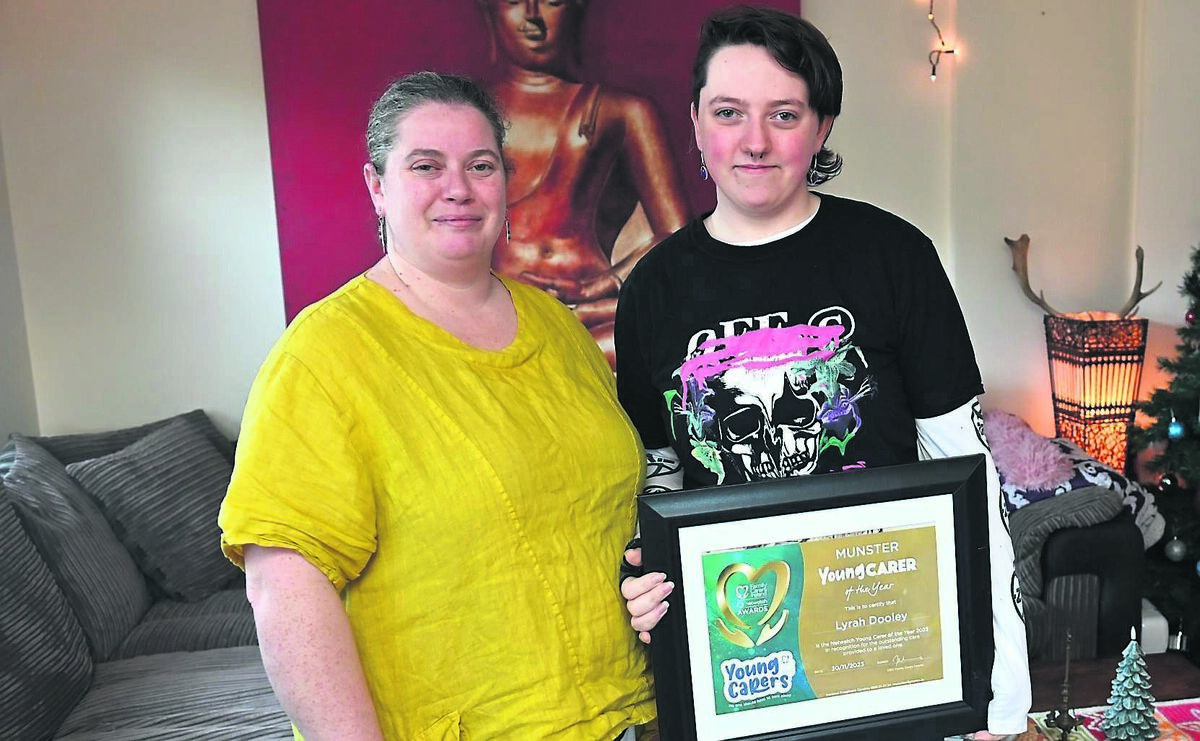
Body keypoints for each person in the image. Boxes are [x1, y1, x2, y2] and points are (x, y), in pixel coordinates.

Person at [613, 7, 1031, 740]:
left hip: (893, 633)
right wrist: (645, 578)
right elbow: (660, 483)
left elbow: (968, 476)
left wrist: (996, 693)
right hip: (741, 655)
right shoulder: (652, 289)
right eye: (728, 112)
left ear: (822, 127)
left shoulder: (895, 256)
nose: (754, 140)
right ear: (696, 123)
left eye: (784, 113)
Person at [219, 71, 654, 741]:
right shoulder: (324, 354)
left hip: (632, 715)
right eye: (427, 165)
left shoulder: (557, 325)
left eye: (481, 165)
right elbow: (284, 590)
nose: (459, 187)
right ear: (377, 186)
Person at [477, 0, 690, 366]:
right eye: (514, 1)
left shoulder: (620, 110)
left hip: (587, 312)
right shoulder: (469, 113)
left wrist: (600, 289)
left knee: (622, 349)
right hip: (493, 310)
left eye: (552, 1)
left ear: (576, 11)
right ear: (489, 12)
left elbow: (677, 234)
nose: (533, 17)